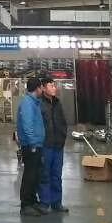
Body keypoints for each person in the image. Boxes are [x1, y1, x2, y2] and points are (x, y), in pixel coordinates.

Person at [16, 75, 46, 217]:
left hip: (36, 144)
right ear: (37, 88)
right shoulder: (27, 103)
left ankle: (32, 201)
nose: (42, 90)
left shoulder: (34, 103)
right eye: (41, 87)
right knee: (29, 175)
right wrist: (33, 143)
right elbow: (27, 126)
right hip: (31, 146)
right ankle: (25, 205)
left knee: (35, 175)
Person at [38, 74, 69, 213]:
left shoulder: (57, 103)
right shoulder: (39, 104)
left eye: (54, 85)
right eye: (51, 86)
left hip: (58, 145)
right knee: (44, 174)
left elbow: (63, 122)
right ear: (44, 88)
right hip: (46, 145)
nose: (54, 88)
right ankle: (45, 203)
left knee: (57, 175)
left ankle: (57, 203)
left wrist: (62, 137)